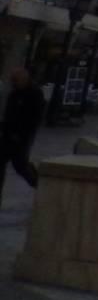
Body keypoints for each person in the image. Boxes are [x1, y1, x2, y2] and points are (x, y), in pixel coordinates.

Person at [0, 67, 45, 205]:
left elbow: (35, 118)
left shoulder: (35, 93)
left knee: (20, 165)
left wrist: (22, 134)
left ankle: (40, 184)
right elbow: (9, 114)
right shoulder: (14, 93)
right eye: (13, 80)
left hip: (22, 137)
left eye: (16, 80)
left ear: (24, 79)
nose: (14, 83)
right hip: (8, 135)